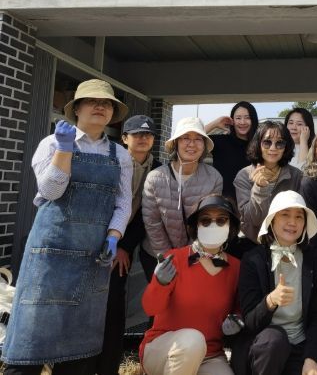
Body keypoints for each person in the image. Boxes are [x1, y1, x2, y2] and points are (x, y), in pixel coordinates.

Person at [2, 79, 132, 374]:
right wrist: (64, 150)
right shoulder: (51, 143)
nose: (100, 107)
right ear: (77, 109)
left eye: (107, 103)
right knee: (30, 343)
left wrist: (114, 235)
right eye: (93, 101)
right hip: (49, 256)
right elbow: (50, 191)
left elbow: (123, 203)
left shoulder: (121, 155)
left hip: (93, 258)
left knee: (78, 348)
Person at [140, 194, 241, 375]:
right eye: (205, 220)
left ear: (231, 227)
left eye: (221, 220)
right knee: (193, 340)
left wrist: (237, 319)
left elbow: (238, 309)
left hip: (210, 355)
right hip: (164, 349)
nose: (213, 225)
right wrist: (160, 284)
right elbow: (150, 308)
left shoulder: (236, 268)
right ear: (196, 226)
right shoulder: (175, 259)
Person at [97, 115, 161, 375]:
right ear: (124, 138)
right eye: (136, 134)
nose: (142, 138)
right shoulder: (111, 161)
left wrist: (124, 246)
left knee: (115, 304)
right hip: (99, 238)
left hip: (127, 243)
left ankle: (109, 366)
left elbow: (148, 213)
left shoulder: (159, 170)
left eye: (148, 135)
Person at [237, 191, 317, 375]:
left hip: (301, 347)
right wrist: (270, 301)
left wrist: (311, 359)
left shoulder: (313, 260)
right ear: (272, 221)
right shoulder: (253, 260)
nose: (292, 222)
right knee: (274, 340)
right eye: (285, 214)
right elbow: (250, 321)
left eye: (299, 217)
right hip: (266, 349)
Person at [142, 117, 223, 281]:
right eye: (185, 138)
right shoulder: (155, 177)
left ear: (204, 145)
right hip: (156, 256)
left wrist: (191, 255)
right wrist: (167, 257)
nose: (191, 144)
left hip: (197, 256)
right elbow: (152, 222)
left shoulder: (214, 177)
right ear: (176, 143)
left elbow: (209, 221)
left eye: (198, 139)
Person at [234, 120, 302, 243]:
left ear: (286, 147)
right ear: (258, 144)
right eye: (267, 142)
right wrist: (260, 189)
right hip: (253, 242)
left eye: (279, 143)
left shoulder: (296, 176)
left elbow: (300, 215)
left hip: (287, 241)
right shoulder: (244, 176)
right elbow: (253, 220)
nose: (273, 148)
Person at [206, 101, 259, 200]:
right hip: (223, 203)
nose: (242, 122)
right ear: (232, 121)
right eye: (238, 118)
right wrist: (215, 123)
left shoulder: (261, 145)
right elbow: (194, 137)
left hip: (251, 204)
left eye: (247, 117)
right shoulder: (221, 141)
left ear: (253, 120)